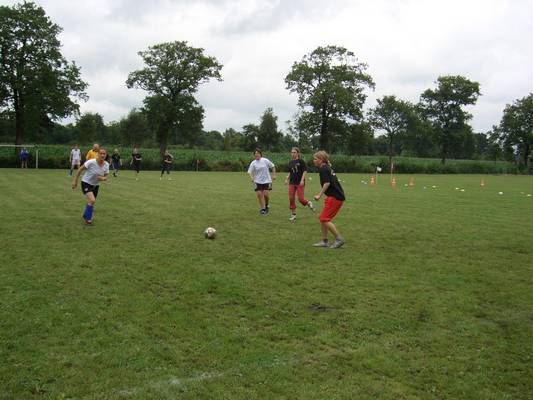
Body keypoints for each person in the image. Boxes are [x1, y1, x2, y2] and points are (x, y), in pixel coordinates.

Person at [312, 150, 345, 249]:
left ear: (321, 160)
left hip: (335, 198)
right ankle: (324, 241)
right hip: (334, 197)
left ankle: (339, 239)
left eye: (315, 159)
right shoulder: (326, 167)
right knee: (323, 218)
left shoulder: (323, 169)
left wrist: (319, 195)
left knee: (324, 219)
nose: (314, 160)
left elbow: (327, 183)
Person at [71, 148, 109, 225]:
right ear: (97, 154)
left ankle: (85, 215)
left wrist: (103, 178)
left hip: (96, 185)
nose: (102, 155)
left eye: (104, 154)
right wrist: (75, 181)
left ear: (106, 155)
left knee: (91, 201)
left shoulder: (106, 164)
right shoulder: (91, 162)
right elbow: (80, 169)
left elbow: (106, 176)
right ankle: (88, 219)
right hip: (86, 182)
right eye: (101, 153)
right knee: (92, 200)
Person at [284, 147, 314, 221]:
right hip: (292, 182)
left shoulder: (301, 161)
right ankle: (293, 214)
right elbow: (290, 172)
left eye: (294, 152)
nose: (293, 154)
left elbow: (305, 171)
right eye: (292, 152)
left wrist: (302, 180)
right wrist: (287, 179)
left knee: (301, 199)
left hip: (299, 182)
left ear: (298, 153)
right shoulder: (290, 162)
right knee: (291, 198)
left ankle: (308, 202)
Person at [247, 149, 276, 215]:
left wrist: (274, 175)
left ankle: (267, 205)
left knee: (266, 195)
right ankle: (263, 209)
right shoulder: (253, 163)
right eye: (255, 153)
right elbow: (249, 172)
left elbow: (273, 166)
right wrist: (251, 177)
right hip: (257, 181)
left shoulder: (265, 160)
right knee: (259, 195)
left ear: (260, 154)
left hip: (267, 180)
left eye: (258, 153)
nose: (256, 154)